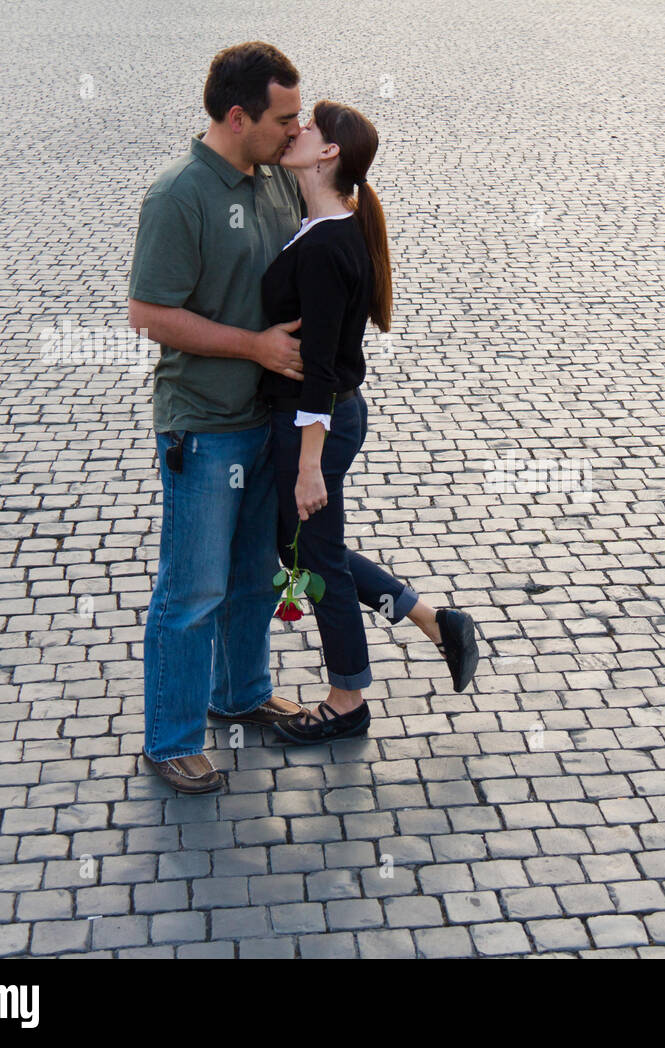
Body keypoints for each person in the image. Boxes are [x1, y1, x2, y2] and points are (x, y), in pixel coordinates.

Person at [127, 42, 316, 794]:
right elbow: (149, 314)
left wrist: (317, 158)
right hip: (203, 426)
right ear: (237, 117)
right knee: (193, 589)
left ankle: (240, 694)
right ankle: (170, 740)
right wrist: (257, 349)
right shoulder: (177, 197)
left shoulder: (274, 177)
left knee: (253, 578)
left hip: (264, 418)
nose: (292, 131)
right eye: (284, 119)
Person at [261, 100, 480, 744]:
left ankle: (347, 699)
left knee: (314, 556)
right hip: (325, 418)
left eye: (308, 127)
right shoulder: (330, 222)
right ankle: (434, 623)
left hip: (318, 421)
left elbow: (321, 367)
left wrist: (308, 464)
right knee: (307, 549)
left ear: (329, 153)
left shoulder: (329, 245)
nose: (294, 130)